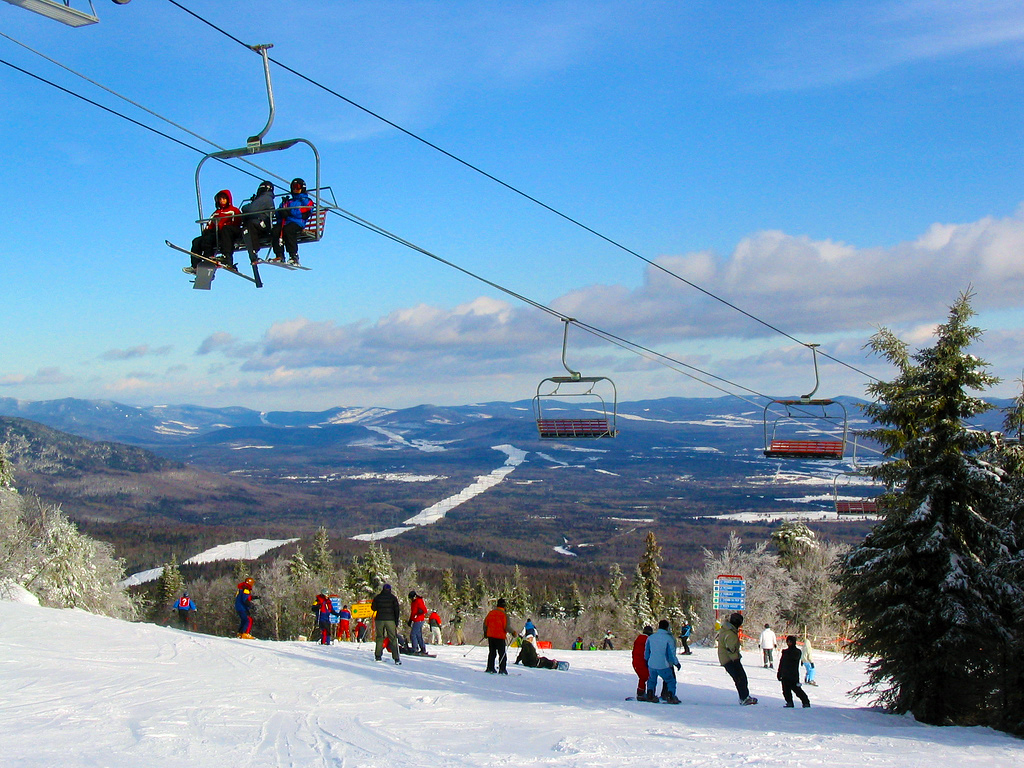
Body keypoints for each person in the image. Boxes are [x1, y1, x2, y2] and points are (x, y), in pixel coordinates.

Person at [185, 189, 242, 274]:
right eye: (220, 199)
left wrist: (222, 226)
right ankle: (195, 265)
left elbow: (236, 222)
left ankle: (208, 259)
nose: (222, 201)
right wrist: (207, 230)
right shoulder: (216, 213)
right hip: (213, 232)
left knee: (208, 240)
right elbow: (209, 224)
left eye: (224, 198)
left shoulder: (233, 210)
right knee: (196, 241)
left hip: (224, 233)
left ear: (228, 199)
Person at [271, 177, 313, 265]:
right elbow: (278, 212)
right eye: (293, 187)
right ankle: (279, 255)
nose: (295, 189)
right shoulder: (288, 201)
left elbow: (303, 212)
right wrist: (281, 212)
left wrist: (289, 212)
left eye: (297, 187)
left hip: (297, 222)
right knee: (275, 230)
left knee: (288, 230)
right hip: (285, 222)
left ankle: (293, 255)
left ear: (303, 188)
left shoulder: (306, 201)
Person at [718, 612, 757, 705]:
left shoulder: (727, 629)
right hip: (730, 660)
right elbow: (731, 649)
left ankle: (744, 696)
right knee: (740, 678)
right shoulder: (730, 633)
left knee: (740, 678)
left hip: (727, 659)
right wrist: (736, 660)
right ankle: (744, 697)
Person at [643, 619, 681, 704]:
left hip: (651, 664)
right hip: (664, 665)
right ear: (667, 627)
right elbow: (671, 653)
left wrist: (646, 660)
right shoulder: (669, 638)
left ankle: (650, 694)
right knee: (671, 681)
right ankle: (670, 696)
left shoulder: (651, 637)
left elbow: (647, 651)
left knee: (652, 680)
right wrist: (676, 663)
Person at [239, 180, 276, 264]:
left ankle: (253, 250)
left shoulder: (265, 198)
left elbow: (250, 209)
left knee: (250, 225)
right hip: (260, 225)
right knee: (249, 225)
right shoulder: (263, 198)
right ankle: (253, 251)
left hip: (262, 225)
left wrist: (247, 206)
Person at [483, 597, 516, 674]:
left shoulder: (491, 613)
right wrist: (513, 632)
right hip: (500, 637)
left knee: (492, 653)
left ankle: (490, 668)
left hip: (490, 636)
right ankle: (502, 669)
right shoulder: (504, 615)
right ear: (504, 606)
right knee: (502, 654)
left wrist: (485, 633)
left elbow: (485, 624)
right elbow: (506, 627)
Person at [371, 584, 402, 664]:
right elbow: (397, 610)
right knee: (393, 638)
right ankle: (396, 658)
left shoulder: (378, 597)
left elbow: (373, 608)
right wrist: (396, 621)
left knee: (379, 637)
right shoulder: (393, 598)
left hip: (379, 619)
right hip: (390, 620)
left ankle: (378, 656)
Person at [777, 635, 811, 708]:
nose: (789, 643)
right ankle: (789, 702)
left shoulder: (797, 652)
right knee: (786, 690)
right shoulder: (785, 652)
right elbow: (781, 663)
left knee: (797, 690)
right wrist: (779, 672)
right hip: (785, 674)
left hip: (793, 675)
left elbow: (794, 658)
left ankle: (806, 702)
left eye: (790, 641)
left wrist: (787, 653)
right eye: (788, 641)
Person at [632, 625, 654, 699]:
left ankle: (641, 692)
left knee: (643, 677)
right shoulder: (648, 640)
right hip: (642, 661)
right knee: (645, 677)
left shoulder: (638, 638)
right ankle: (642, 694)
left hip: (635, 661)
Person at [407, 590, 428, 655]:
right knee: (418, 635)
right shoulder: (413, 602)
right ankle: (422, 648)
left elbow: (425, 610)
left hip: (419, 620)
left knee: (413, 634)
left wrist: (419, 612)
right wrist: (410, 620)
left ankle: (415, 648)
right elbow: (413, 612)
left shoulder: (419, 600)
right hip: (416, 620)